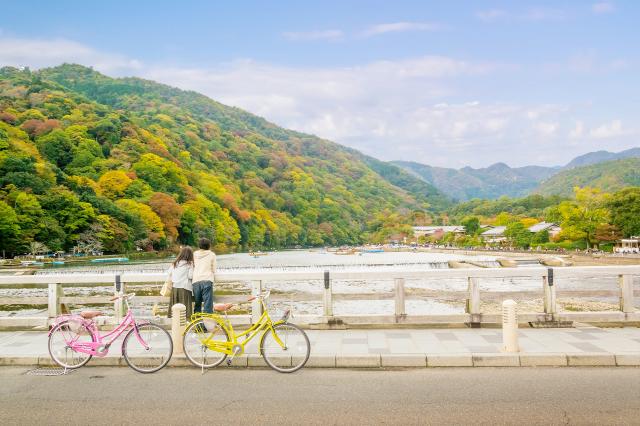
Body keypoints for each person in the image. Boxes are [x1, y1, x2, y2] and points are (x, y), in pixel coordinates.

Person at [167, 246, 194, 320]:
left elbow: (169, 273)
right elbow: (190, 276)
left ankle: (176, 327)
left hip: (175, 288)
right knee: (185, 310)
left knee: (176, 310)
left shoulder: (175, 263)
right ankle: (186, 327)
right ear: (190, 255)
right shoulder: (189, 264)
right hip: (185, 288)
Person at [193, 238, 216, 314]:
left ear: (199, 246)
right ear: (209, 245)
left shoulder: (194, 254)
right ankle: (207, 325)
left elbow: (192, 266)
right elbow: (214, 269)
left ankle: (197, 325)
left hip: (196, 280)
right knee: (207, 305)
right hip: (207, 280)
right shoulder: (212, 254)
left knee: (197, 304)